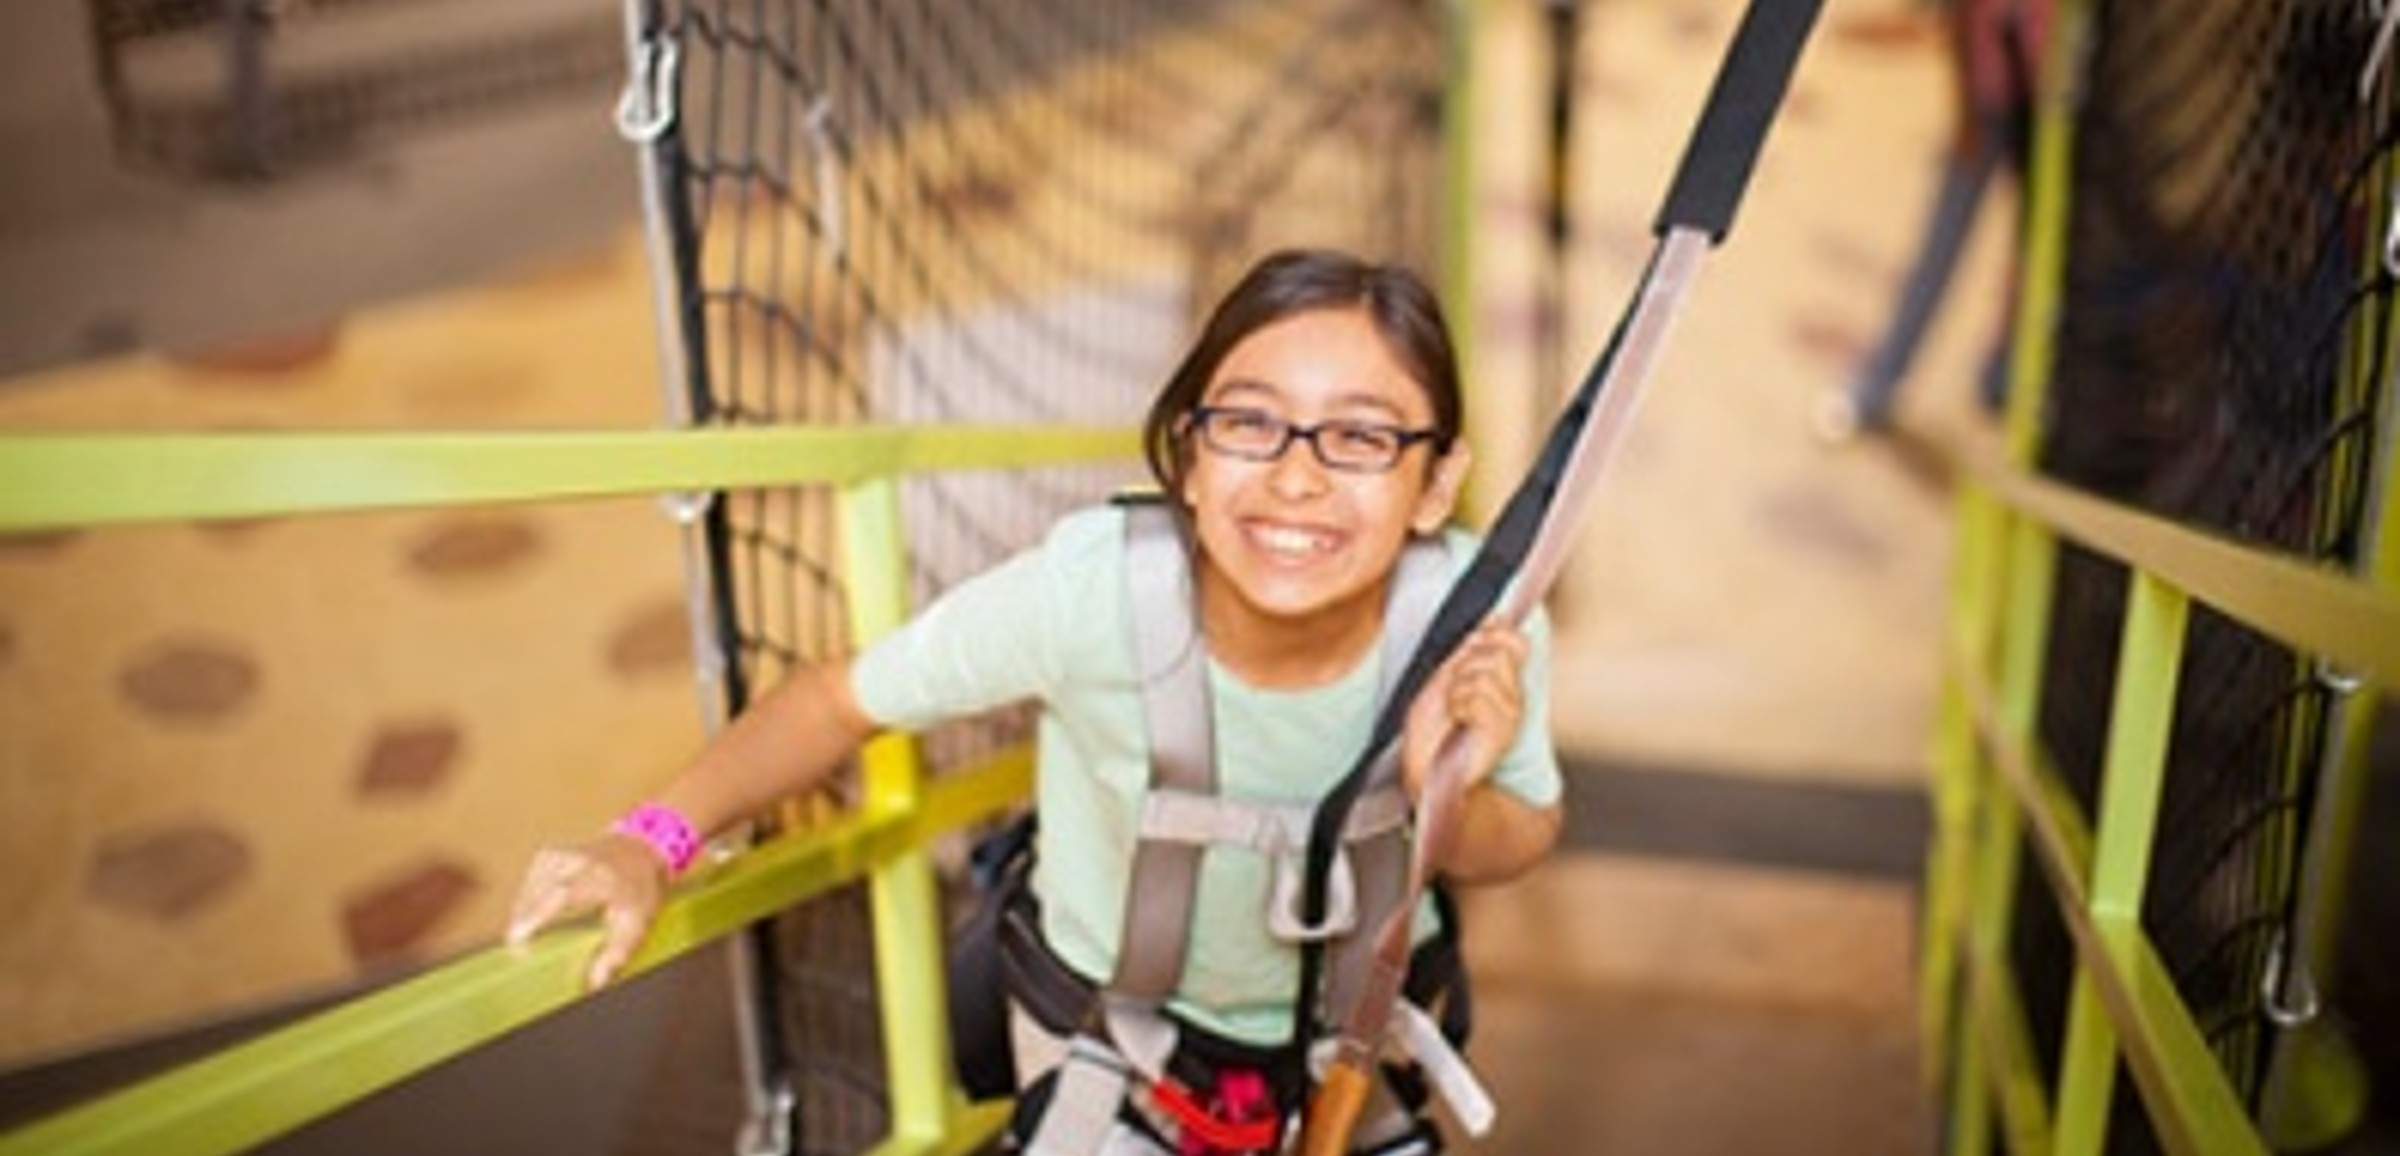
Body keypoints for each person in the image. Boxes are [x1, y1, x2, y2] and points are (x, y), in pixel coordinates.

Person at [504, 248, 1565, 1154]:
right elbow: (834, 701)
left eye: (1362, 437)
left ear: (1434, 484)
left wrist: (1443, 791)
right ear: (1190, 456)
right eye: (1251, 423)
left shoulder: (1471, 627)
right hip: (1113, 1050)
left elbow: (1521, 837)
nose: (1297, 478)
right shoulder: (1090, 592)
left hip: (1353, 1057)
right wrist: (649, 839)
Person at [1817, 0, 2052, 441]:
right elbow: (1963, 14)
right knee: (1940, 245)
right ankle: (1877, 383)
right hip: (1988, 94)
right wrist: (1964, 99)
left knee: (2040, 250)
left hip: (2055, 115)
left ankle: (2002, 373)